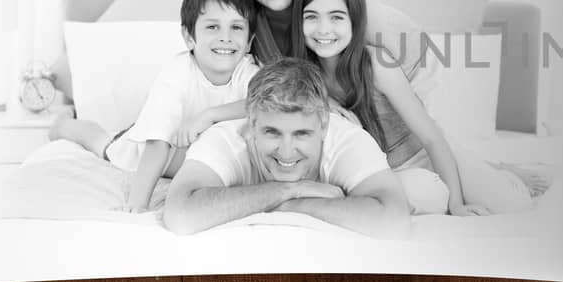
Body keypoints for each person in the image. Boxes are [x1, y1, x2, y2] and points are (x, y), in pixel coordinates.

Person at [292, 0, 532, 216]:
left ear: (355, 21)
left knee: (514, 205)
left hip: (426, 154)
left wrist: (457, 205)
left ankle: (505, 172)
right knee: (426, 194)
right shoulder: (304, 78)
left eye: (337, 17)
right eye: (311, 17)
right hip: (385, 174)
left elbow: (431, 138)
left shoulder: (377, 66)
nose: (323, 29)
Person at [49, 0, 258, 211]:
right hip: (151, 149)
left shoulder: (247, 72)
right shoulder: (178, 72)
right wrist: (138, 203)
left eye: (237, 27)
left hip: (195, 157)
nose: (225, 37)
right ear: (189, 37)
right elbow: (158, 142)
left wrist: (210, 115)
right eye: (212, 27)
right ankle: (64, 125)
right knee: (103, 143)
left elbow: (263, 104)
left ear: (249, 42)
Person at [162, 58, 409, 235]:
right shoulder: (225, 138)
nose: (286, 151)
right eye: (272, 132)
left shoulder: (347, 139)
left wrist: (289, 205)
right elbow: (180, 215)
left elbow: (393, 220)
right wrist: (292, 189)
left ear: (323, 125)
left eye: (301, 134)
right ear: (252, 123)